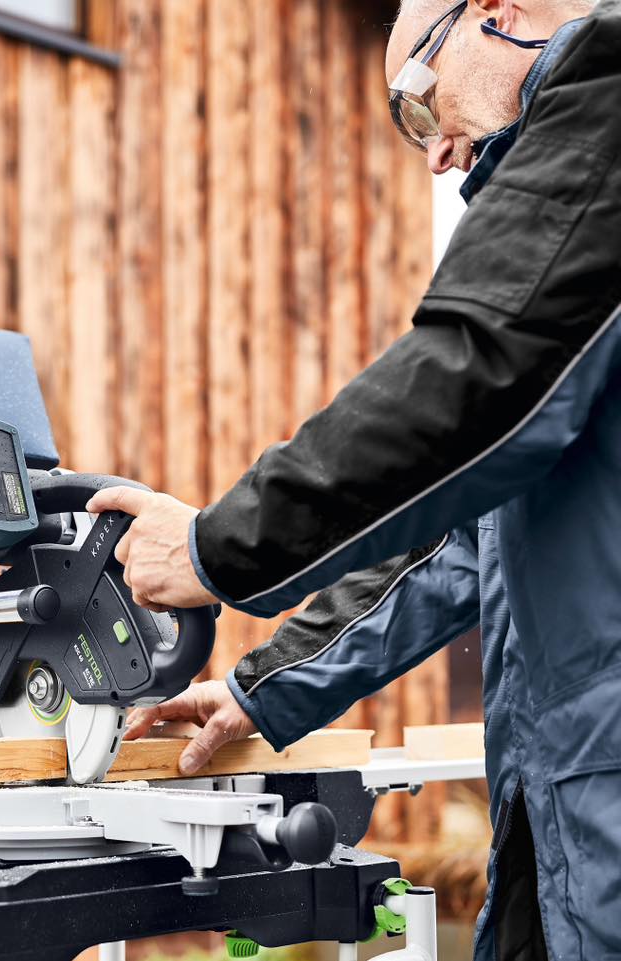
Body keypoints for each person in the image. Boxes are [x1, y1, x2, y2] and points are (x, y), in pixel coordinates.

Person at [85, 0, 621, 957]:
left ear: (492, 13)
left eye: (416, 103)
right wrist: (266, 685)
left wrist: (214, 546)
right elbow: (465, 538)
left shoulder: (613, 78)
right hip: (568, 816)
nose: (434, 156)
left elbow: (471, 378)